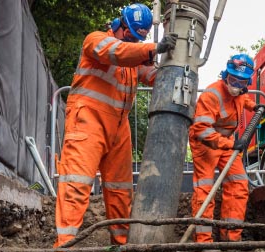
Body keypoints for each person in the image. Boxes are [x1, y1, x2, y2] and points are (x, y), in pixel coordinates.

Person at [54, 3, 178, 247]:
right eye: (130, 36)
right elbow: (117, 52)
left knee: (121, 191)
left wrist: (174, 66)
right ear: (118, 26)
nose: (133, 42)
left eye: (136, 39)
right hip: (88, 119)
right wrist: (153, 48)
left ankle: (120, 244)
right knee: (76, 185)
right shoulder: (97, 40)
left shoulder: (133, 54)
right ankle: (64, 243)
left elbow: (152, 75)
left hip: (119, 127)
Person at [188, 54, 265, 247]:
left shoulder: (239, 93)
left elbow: (243, 100)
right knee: (205, 190)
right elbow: (201, 130)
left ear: (247, 82)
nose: (236, 85)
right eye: (232, 80)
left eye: (241, 82)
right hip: (205, 144)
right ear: (225, 75)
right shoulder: (211, 95)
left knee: (239, 184)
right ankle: (204, 243)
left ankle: (231, 239)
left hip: (227, 144)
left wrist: (255, 106)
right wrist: (230, 144)